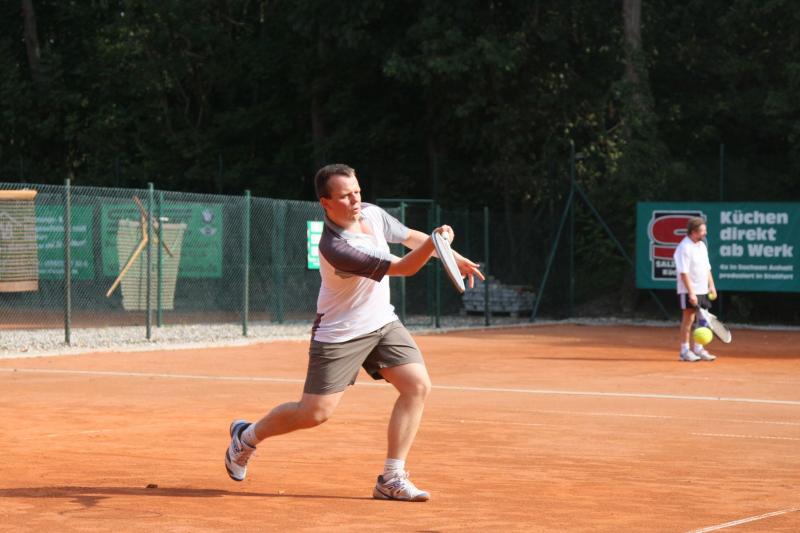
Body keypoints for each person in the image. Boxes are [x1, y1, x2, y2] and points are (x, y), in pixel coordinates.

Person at [225, 163, 484, 501]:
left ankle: (391, 478)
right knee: (314, 414)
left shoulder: (372, 214)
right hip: (340, 334)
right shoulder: (337, 247)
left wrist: (453, 255)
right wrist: (437, 242)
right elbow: (405, 267)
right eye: (346, 196)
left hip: (382, 323)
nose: (355, 200)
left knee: (417, 386)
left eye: (357, 192)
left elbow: (409, 237)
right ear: (326, 203)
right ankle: (246, 437)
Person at [673, 216, 717, 362]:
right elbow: (683, 272)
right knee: (689, 319)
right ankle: (684, 351)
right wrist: (691, 292)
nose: (705, 233)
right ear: (693, 232)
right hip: (688, 290)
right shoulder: (684, 247)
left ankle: (699, 349)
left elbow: (707, 267)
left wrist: (711, 285)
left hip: (703, 289)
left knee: (703, 320)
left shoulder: (702, 246)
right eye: (702, 231)